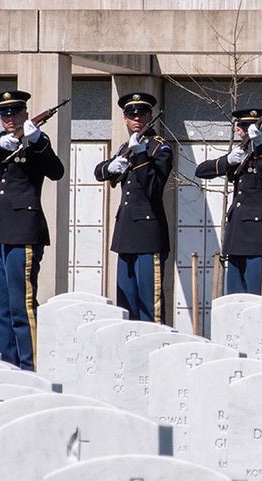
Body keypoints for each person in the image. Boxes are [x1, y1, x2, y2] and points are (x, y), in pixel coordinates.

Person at [0, 89, 64, 371]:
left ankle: (30, 368)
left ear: (26, 114)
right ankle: (6, 366)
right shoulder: (4, 141)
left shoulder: (37, 142)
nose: (10, 118)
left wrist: (37, 141)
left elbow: (56, 172)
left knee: (22, 307)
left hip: (24, 232)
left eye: (15, 112)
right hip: (1, 232)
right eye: (5, 114)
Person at [93, 92, 173, 323]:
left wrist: (139, 157)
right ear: (125, 119)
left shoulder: (160, 148)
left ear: (151, 116)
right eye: (131, 114)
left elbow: (154, 188)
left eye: (143, 113)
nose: (137, 118)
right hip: (126, 234)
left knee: (150, 309)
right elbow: (98, 172)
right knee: (126, 307)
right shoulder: (124, 148)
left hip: (149, 235)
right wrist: (111, 167)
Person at [195, 107, 262, 298]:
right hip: (235, 239)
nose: (247, 131)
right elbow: (201, 171)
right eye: (244, 127)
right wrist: (228, 160)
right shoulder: (237, 155)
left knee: (259, 301)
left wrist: (260, 145)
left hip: (258, 239)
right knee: (235, 301)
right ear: (238, 130)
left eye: (253, 127)